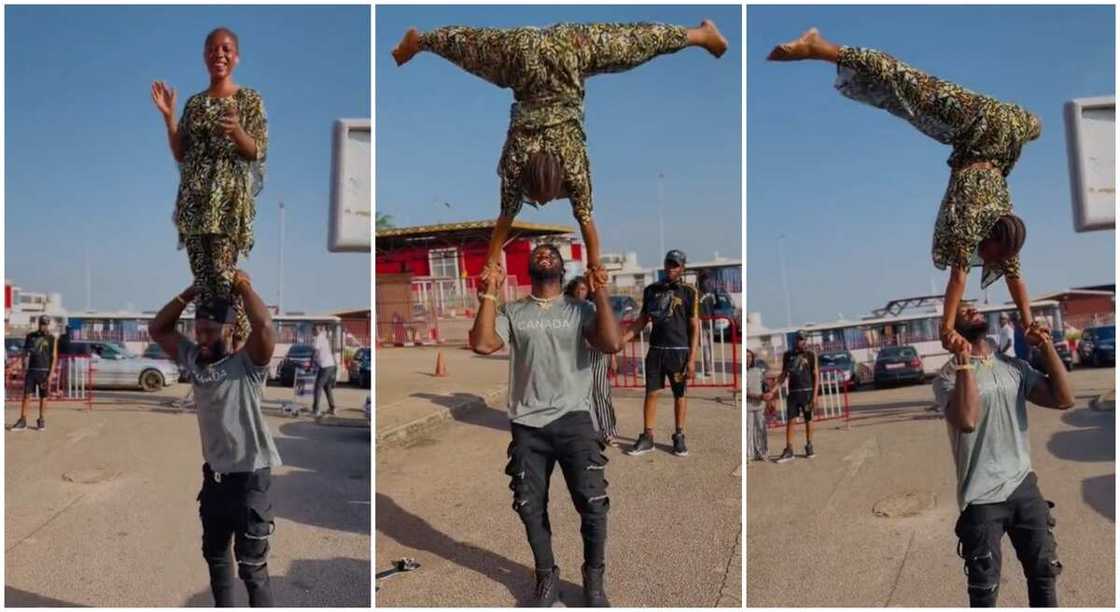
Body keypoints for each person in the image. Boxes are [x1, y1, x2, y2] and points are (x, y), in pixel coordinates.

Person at [768, 28, 1046, 356]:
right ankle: (820, 47)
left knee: (906, 91)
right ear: (991, 241)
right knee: (906, 80)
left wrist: (1029, 322)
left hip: (1017, 125)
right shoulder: (977, 220)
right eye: (986, 256)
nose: (982, 261)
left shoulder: (1006, 225)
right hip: (978, 125)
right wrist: (945, 327)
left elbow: (1016, 279)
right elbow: (958, 276)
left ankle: (823, 49)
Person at [392, 20, 727, 277]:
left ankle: (420, 41)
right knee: (634, 41)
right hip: (546, 52)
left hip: (537, 53)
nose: (542, 202)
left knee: (469, 46)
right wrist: (595, 268)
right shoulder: (524, 162)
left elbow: (526, 221)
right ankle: (700, 35)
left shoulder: (548, 167)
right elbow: (570, 223)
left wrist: (492, 264)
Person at [469, 244, 621, 607]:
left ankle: (593, 578)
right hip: (528, 425)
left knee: (594, 503)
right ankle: (546, 576)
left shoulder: (580, 309)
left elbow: (612, 342)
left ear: (563, 268)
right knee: (528, 505)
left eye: (552, 253)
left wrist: (600, 291)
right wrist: (490, 290)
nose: (545, 254)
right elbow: (483, 343)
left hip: (575, 419)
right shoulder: (514, 311)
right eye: (538, 253)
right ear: (528, 267)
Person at [149, 270, 281, 607]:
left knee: (253, 571)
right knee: (217, 561)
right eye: (199, 331)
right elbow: (158, 329)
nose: (203, 338)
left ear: (230, 330)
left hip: (250, 479)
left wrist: (244, 286)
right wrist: (190, 292)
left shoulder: (248, 364)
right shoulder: (194, 360)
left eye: (210, 332)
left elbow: (264, 327)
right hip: (215, 481)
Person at [933, 304, 1073, 606]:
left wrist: (1045, 346)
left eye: (972, 306)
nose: (971, 310)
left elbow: (1064, 399)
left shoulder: (1013, 366)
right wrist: (964, 361)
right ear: (950, 330)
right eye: (962, 311)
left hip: (1023, 486)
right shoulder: (946, 378)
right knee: (985, 592)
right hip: (981, 498)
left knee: (1044, 576)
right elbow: (967, 420)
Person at [152, 27, 269, 344]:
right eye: (213, 49)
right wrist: (169, 117)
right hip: (194, 200)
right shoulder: (194, 104)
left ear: (237, 57)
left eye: (227, 49)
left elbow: (256, 150)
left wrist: (236, 131)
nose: (220, 54)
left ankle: (240, 337)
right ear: (205, 56)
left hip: (226, 201)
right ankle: (210, 351)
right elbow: (181, 152)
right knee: (203, 280)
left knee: (222, 272)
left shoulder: (249, 99)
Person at [622, 250, 700, 457]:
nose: (670, 268)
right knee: (651, 393)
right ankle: (648, 436)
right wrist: (621, 340)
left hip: (679, 352)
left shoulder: (689, 292)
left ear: (682, 268)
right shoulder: (651, 290)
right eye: (668, 263)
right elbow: (642, 321)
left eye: (675, 265)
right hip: (656, 351)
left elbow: (694, 327)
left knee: (680, 394)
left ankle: (679, 435)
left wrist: (692, 359)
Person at [565, 277, 618, 445]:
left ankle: (608, 431)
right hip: (576, 357)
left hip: (598, 355)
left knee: (601, 393)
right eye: (579, 289)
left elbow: (609, 334)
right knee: (578, 396)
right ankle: (582, 432)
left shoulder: (595, 308)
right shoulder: (566, 310)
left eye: (584, 289)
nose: (582, 292)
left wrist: (613, 357)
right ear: (573, 290)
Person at [765, 332, 818, 462]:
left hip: (807, 392)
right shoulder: (788, 355)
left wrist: (815, 396)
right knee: (791, 420)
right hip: (793, 393)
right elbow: (784, 375)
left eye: (805, 339)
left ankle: (809, 445)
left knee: (808, 419)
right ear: (794, 340)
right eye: (801, 339)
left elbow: (816, 376)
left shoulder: (811, 355)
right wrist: (773, 391)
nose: (804, 341)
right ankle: (789, 449)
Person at [11, 316, 58, 432]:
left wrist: (51, 374)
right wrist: (22, 366)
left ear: (48, 325)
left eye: (46, 324)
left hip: (44, 372)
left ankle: (41, 420)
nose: (44, 326)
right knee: (26, 395)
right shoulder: (30, 336)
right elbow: (25, 352)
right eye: (42, 324)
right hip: (32, 370)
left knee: (43, 397)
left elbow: (54, 356)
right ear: (39, 324)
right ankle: (23, 420)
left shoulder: (52, 338)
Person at [745, 349, 769, 462]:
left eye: (749, 357)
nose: (747, 359)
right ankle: (749, 454)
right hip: (748, 406)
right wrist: (757, 396)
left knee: (761, 428)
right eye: (745, 357)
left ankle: (763, 452)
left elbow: (765, 384)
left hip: (760, 405)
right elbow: (744, 392)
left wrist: (767, 396)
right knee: (748, 430)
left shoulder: (758, 370)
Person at [310, 325, 338, 417]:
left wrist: (311, 363)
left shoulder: (318, 338)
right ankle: (332, 408)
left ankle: (316, 410)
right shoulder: (323, 337)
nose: (313, 332)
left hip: (325, 367)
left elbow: (316, 352)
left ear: (316, 330)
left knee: (318, 387)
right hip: (331, 366)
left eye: (313, 330)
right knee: (327, 387)